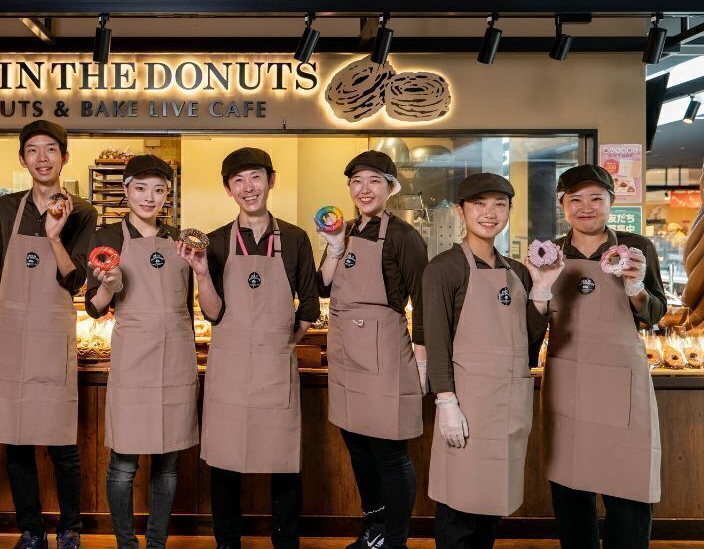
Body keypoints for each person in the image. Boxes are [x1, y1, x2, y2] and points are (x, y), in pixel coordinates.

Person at [178, 147, 320, 549]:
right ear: (228, 189)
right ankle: (227, 541)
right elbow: (213, 312)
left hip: (276, 367)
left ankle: (286, 541)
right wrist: (201, 273)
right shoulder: (215, 242)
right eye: (238, 180)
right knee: (225, 461)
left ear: (271, 181)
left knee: (284, 461)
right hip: (230, 368)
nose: (248, 187)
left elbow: (309, 307)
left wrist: (281, 344)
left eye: (256, 177)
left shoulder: (295, 238)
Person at [0, 120, 96, 549]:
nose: (42, 158)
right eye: (33, 150)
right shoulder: (6, 208)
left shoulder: (82, 211)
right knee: (16, 440)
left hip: (52, 332)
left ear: (65, 157)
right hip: (12, 333)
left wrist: (53, 237)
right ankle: (31, 530)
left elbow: (75, 280)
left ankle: (70, 528)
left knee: (61, 441)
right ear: (22, 159)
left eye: (51, 150)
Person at [540, 165, 666, 549]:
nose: (586, 207)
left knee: (628, 484)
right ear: (562, 204)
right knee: (570, 485)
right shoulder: (549, 254)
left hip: (621, 383)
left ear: (611, 202)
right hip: (568, 383)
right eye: (575, 199)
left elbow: (655, 313)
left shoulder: (637, 247)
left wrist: (636, 289)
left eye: (596, 198)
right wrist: (539, 290)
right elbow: (533, 319)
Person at [423, 173, 551, 549]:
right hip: (467, 406)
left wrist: (542, 289)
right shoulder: (443, 269)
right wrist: (446, 401)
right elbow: (436, 341)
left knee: (490, 511)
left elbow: (528, 341)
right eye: (479, 204)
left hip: (507, 408)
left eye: (499, 204)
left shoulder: (519, 271)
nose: (489, 213)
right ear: (461, 211)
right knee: (459, 511)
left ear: (509, 210)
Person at [84, 154, 199, 549]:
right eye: (141, 188)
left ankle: (156, 544)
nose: (149, 197)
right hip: (133, 360)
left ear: (168, 194)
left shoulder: (181, 240)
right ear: (126, 189)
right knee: (124, 464)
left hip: (176, 358)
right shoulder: (108, 236)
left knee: (168, 462)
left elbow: (188, 304)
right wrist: (110, 283)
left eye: (159, 190)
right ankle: (126, 544)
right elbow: (94, 306)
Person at [317, 151, 429, 549]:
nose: (364, 189)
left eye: (374, 181)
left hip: (384, 352)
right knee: (357, 444)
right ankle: (374, 529)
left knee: (389, 450)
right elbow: (322, 286)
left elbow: (424, 301)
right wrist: (333, 247)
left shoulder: (404, 236)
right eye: (357, 181)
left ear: (390, 188)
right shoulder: (343, 231)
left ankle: (394, 540)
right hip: (345, 349)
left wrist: (422, 362)